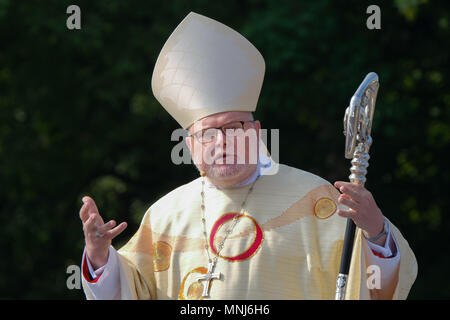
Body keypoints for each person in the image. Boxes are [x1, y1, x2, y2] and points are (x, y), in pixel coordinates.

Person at [80, 12, 417, 300]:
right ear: (190, 145)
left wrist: (376, 233)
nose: (221, 141)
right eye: (208, 133)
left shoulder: (316, 200)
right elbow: (129, 291)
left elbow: (377, 288)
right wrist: (99, 259)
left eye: (233, 127)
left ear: (256, 132)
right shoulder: (165, 216)